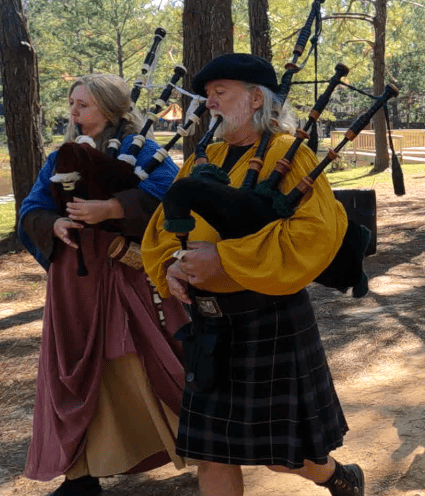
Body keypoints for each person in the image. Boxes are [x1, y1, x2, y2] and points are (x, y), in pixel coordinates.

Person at [140, 54, 364, 496]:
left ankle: (339, 477)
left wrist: (224, 260)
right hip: (209, 323)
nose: (211, 104)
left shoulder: (286, 153)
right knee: (211, 453)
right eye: (207, 96)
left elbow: (316, 232)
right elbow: (163, 223)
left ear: (257, 97)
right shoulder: (209, 155)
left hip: (267, 317)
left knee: (285, 458)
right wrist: (170, 266)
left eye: (220, 93)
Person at [18, 74, 188, 495]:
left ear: (111, 109)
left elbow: (175, 198)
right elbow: (31, 207)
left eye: (84, 105)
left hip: (126, 277)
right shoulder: (61, 156)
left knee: (139, 361)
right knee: (74, 370)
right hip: (73, 285)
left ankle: (204, 444)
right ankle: (81, 475)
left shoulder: (144, 151)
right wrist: (52, 222)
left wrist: (113, 207)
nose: (73, 112)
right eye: (72, 103)